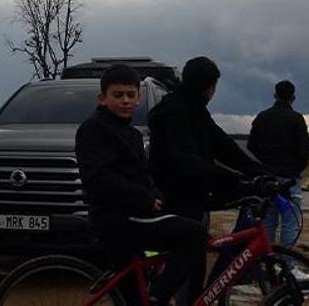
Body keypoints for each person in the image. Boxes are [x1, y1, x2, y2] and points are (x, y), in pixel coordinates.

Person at [76, 64, 209, 305]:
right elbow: (99, 179)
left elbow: (143, 174)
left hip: (132, 213)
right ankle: (159, 296)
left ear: (138, 98)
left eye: (131, 95)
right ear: (102, 98)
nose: (125, 100)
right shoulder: (93, 129)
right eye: (118, 95)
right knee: (195, 234)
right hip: (116, 218)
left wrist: (155, 194)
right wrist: (145, 198)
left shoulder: (133, 134)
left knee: (133, 298)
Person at [148, 56, 264, 222]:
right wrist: (233, 179)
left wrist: (258, 170)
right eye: (212, 87)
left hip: (193, 196)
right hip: (172, 199)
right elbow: (185, 159)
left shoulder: (195, 110)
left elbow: (223, 145)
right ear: (206, 88)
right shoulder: (175, 112)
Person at [248, 79, 309, 248]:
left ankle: (265, 262)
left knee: (267, 222)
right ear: (293, 98)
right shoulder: (297, 119)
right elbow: (304, 151)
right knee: (290, 223)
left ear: (275, 95)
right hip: (289, 177)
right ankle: (286, 264)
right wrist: (296, 169)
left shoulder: (263, 117)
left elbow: (251, 145)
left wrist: (264, 161)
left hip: (267, 176)